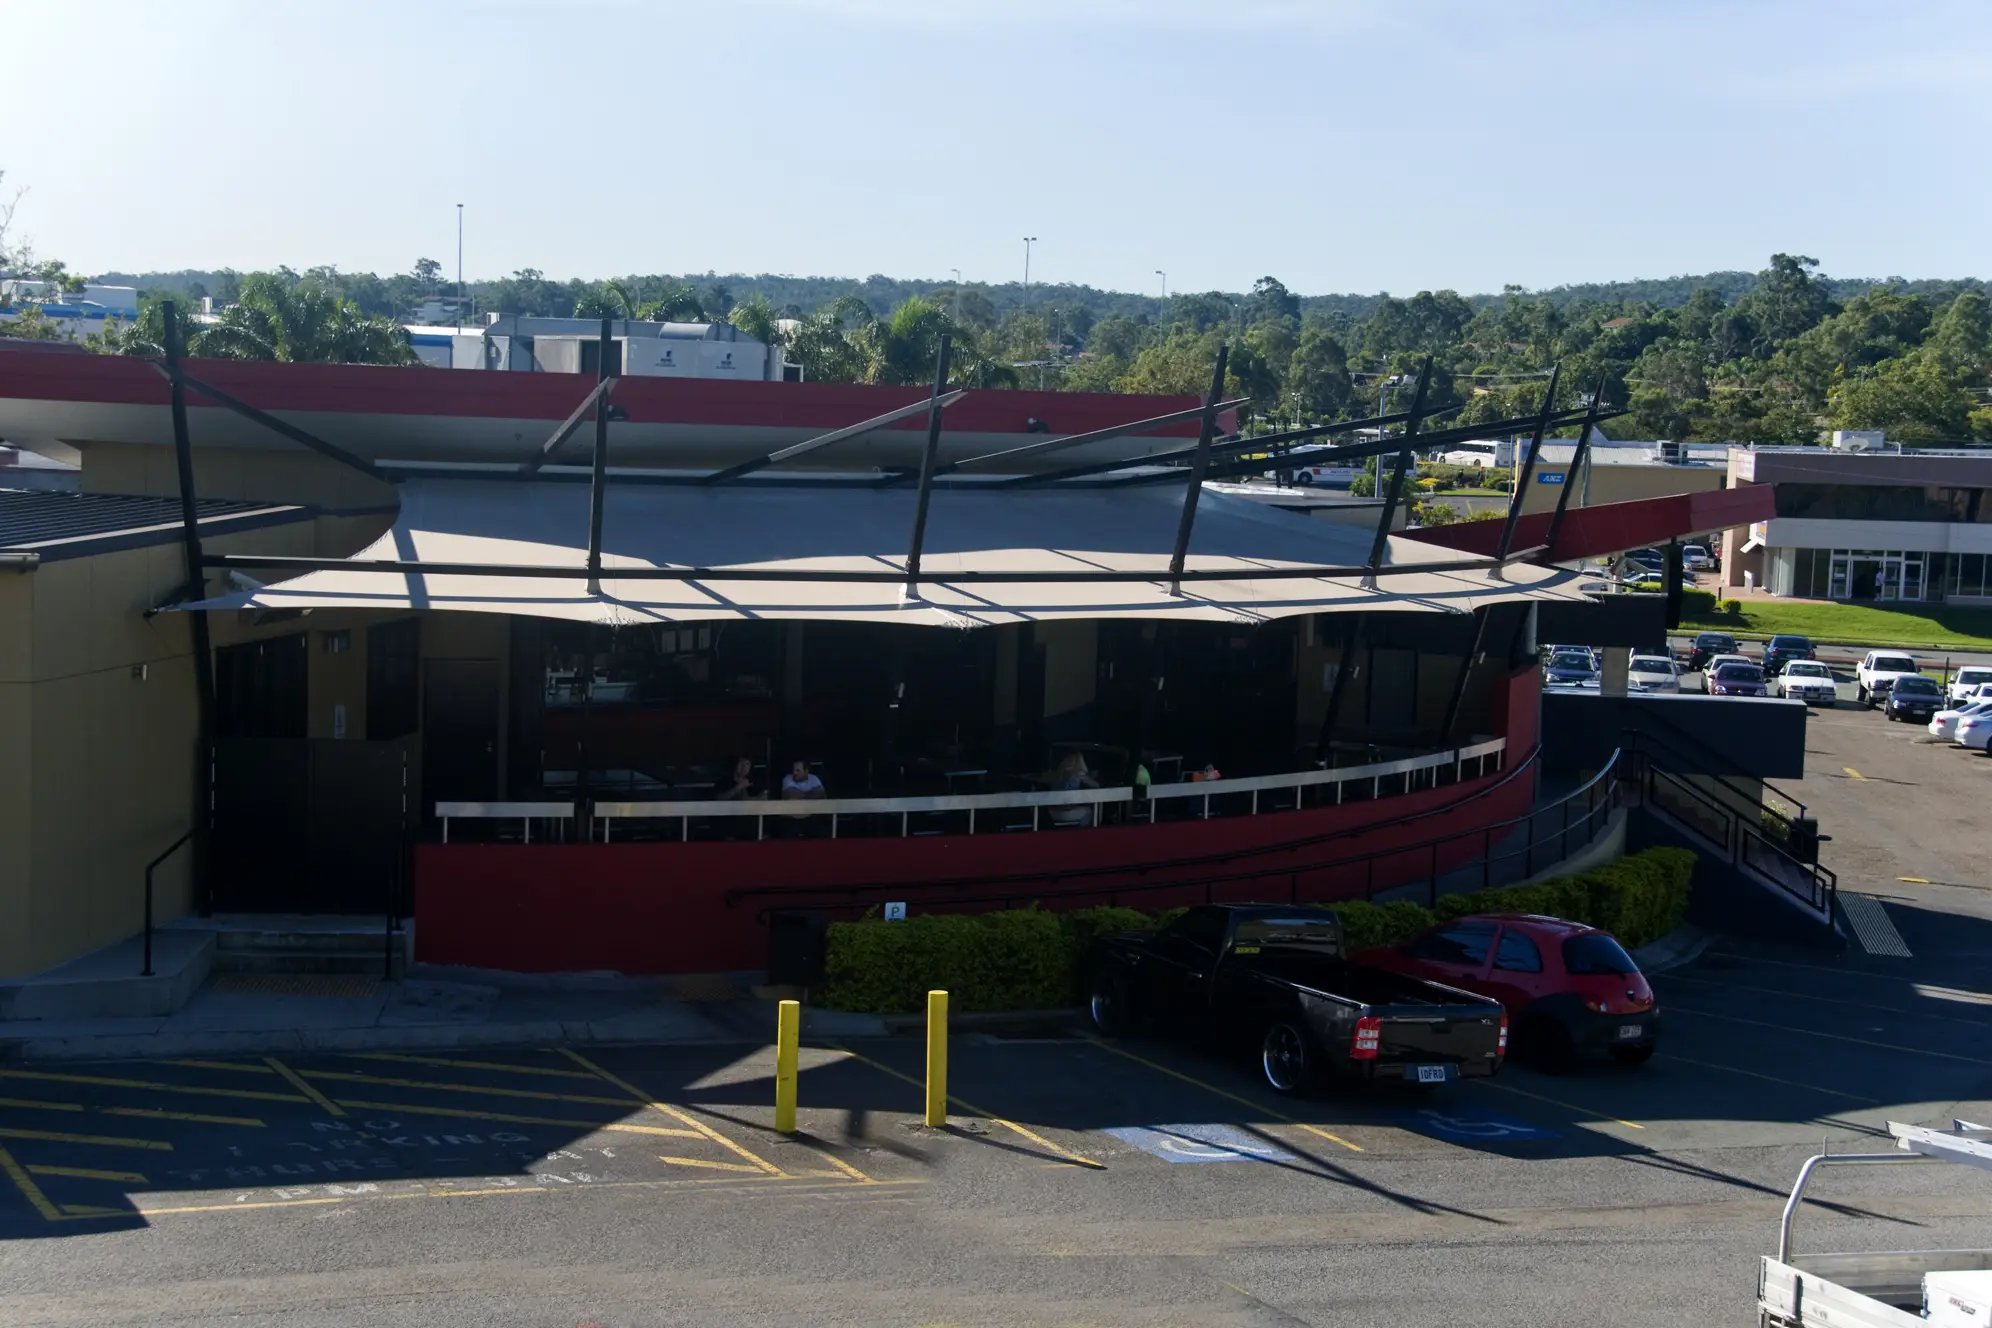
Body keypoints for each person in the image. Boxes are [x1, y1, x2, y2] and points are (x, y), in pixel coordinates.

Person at [1048, 751, 1099, 827]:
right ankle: (1083, 834)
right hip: (1064, 812)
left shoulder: (1059, 773)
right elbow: (1095, 785)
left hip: (1052, 812)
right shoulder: (1077, 774)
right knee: (1089, 811)